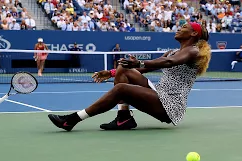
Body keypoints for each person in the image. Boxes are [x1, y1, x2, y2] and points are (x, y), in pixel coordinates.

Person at [47, 22, 211, 131]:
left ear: (194, 33)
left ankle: (72, 119)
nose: (179, 28)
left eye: (183, 27)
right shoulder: (172, 51)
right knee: (122, 68)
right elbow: (146, 68)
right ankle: (123, 118)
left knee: (121, 89)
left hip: (170, 105)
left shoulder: (193, 51)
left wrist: (139, 63)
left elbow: (168, 63)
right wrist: (111, 73)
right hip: (159, 93)